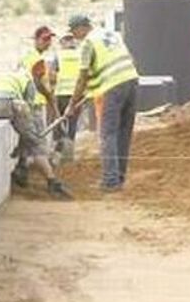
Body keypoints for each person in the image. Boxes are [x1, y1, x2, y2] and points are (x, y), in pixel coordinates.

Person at [65, 14, 139, 191]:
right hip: (132, 81)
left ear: (81, 27)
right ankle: (119, 178)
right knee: (123, 132)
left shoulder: (88, 43)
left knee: (108, 134)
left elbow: (82, 78)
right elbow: (129, 59)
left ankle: (110, 181)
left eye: (74, 32)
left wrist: (71, 105)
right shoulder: (112, 34)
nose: (74, 36)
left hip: (112, 88)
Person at [0, 69, 72, 199]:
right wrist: (33, 136)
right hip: (10, 104)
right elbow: (28, 111)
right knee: (35, 142)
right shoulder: (28, 80)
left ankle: (21, 167)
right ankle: (52, 181)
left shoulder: (0, 81)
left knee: (26, 135)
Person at [53, 34, 83, 161]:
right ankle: (69, 153)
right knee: (73, 123)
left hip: (61, 94)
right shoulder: (81, 55)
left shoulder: (58, 56)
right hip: (77, 95)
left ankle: (59, 151)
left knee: (60, 122)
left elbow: (52, 76)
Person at [20, 26, 59, 123]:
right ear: (36, 40)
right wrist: (50, 97)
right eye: (45, 39)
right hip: (35, 102)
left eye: (49, 39)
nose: (48, 43)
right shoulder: (37, 59)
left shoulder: (27, 55)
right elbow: (38, 82)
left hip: (27, 100)